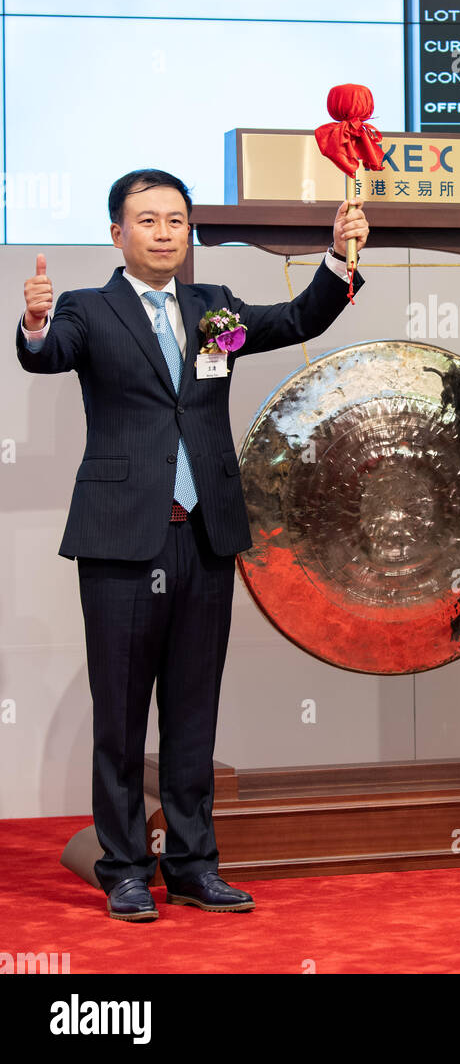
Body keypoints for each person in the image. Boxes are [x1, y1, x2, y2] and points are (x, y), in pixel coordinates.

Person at [18, 169, 369, 920]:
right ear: (118, 233)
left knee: (192, 712)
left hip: (206, 537)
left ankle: (192, 865)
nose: (165, 232)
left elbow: (295, 320)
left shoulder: (214, 311)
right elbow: (48, 356)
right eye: (148, 220)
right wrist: (37, 325)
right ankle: (122, 868)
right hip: (123, 541)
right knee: (119, 717)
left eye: (176, 219)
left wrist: (339, 261)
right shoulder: (89, 310)